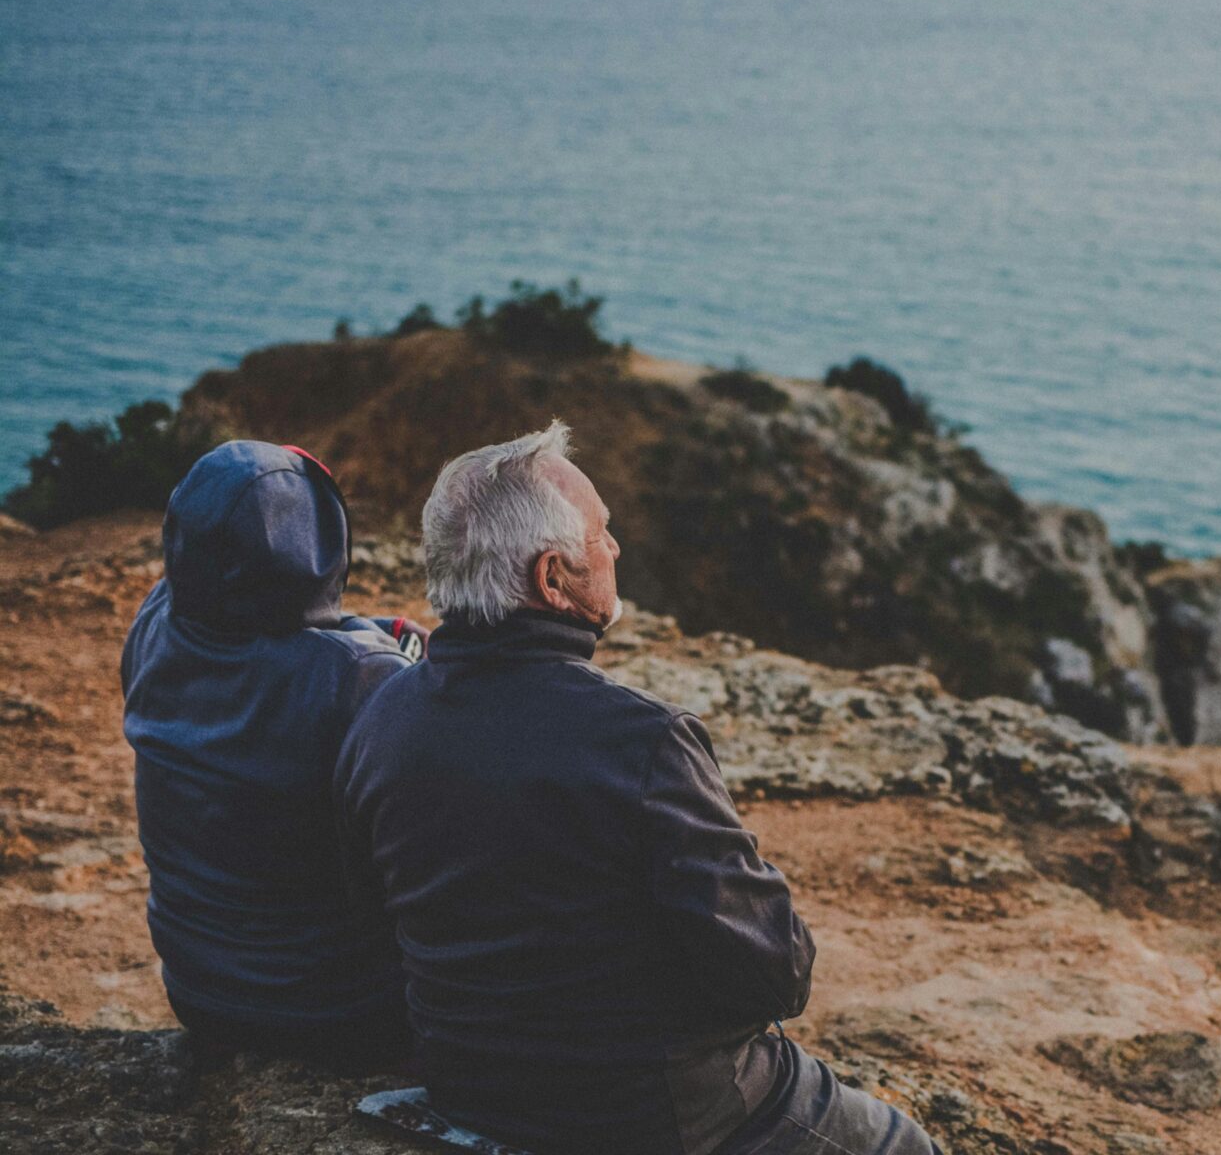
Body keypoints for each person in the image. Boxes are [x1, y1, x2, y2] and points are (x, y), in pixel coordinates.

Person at [336, 422, 938, 1155]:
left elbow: (372, 912)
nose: (616, 550)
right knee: (903, 1145)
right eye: (602, 535)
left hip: (466, 1083)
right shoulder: (640, 741)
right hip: (657, 1112)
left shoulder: (382, 717)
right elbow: (776, 973)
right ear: (552, 579)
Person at [123, 440, 421, 1067]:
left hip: (198, 991)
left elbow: (265, 633)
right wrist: (398, 651)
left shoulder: (155, 621)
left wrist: (369, 631)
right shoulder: (361, 679)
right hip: (340, 1013)